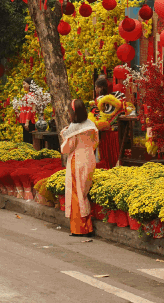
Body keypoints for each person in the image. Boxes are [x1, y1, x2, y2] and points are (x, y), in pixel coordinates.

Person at [60, 99, 98, 236]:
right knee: (84, 193)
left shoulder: (73, 129)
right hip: (90, 159)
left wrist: (63, 137)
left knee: (76, 194)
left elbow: (66, 149)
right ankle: (88, 226)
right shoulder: (91, 125)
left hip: (77, 161)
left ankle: (80, 229)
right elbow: (95, 142)